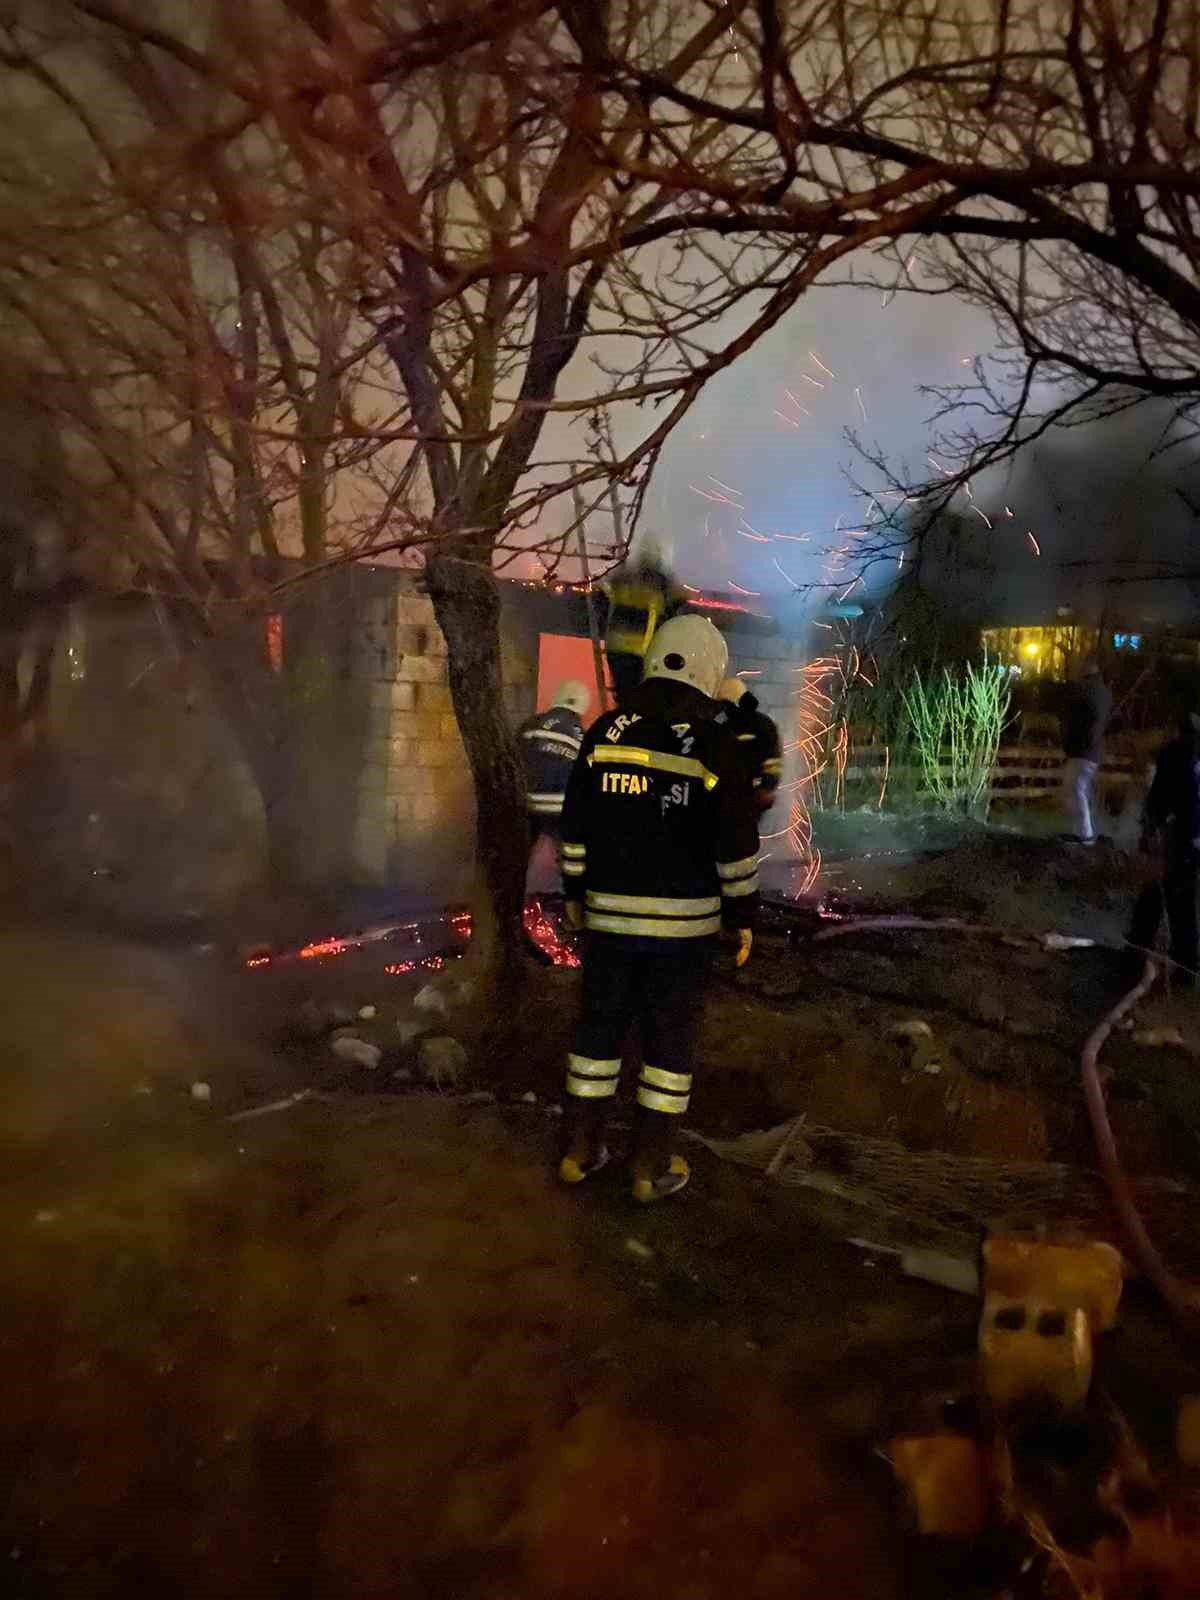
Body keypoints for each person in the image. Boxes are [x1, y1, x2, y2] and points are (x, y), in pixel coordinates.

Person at [556, 614, 760, 1203]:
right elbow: (736, 845)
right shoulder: (715, 741)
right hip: (683, 933)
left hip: (609, 925)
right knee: (669, 1045)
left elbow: (576, 827)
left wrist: (575, 894)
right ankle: (649, 1167)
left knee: (597, 1032)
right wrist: (743, 916)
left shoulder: (604, 732)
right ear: (707, 669)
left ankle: (579, 1149)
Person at [1127, 713, 1200, 984]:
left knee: (1155, 898)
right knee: (1181, 907)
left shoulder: (1174, 758)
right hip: (1188, 844)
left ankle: (1136, 956)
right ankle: (1185, 966)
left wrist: (1151, 830)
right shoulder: (1190, 759)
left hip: (1171, 842)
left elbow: (1160, 799)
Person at [603, 538, 685, 708]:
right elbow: (677, 604)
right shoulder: (661, 582)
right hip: (641, 649)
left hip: (616, 646)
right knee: (638, 698)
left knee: (623, 695)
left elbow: (607, 592)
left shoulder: (625, 577)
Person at [516, 680, 589, 854]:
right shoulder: (581, 734)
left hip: (527, 805)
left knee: (524, 857)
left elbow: (514, 758)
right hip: (562, 809)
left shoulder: (530, 725)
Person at [1059, 659, 1112, 844]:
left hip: (1083, 749)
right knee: (1079, 789)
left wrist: (1068, 741)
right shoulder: (1103, 693)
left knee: (1075, 789)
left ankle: (1085, 834)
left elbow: (1077, 719)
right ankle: (1080, 830)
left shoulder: (1087, 692)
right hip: (1092, 750)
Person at [714, 677, 783, 815]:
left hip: (749, 798)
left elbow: (773, 762)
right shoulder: (727, 726)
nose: (723, 709)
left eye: (725, 704)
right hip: (730, 798)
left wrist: (765, 787)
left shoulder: (761, 725)